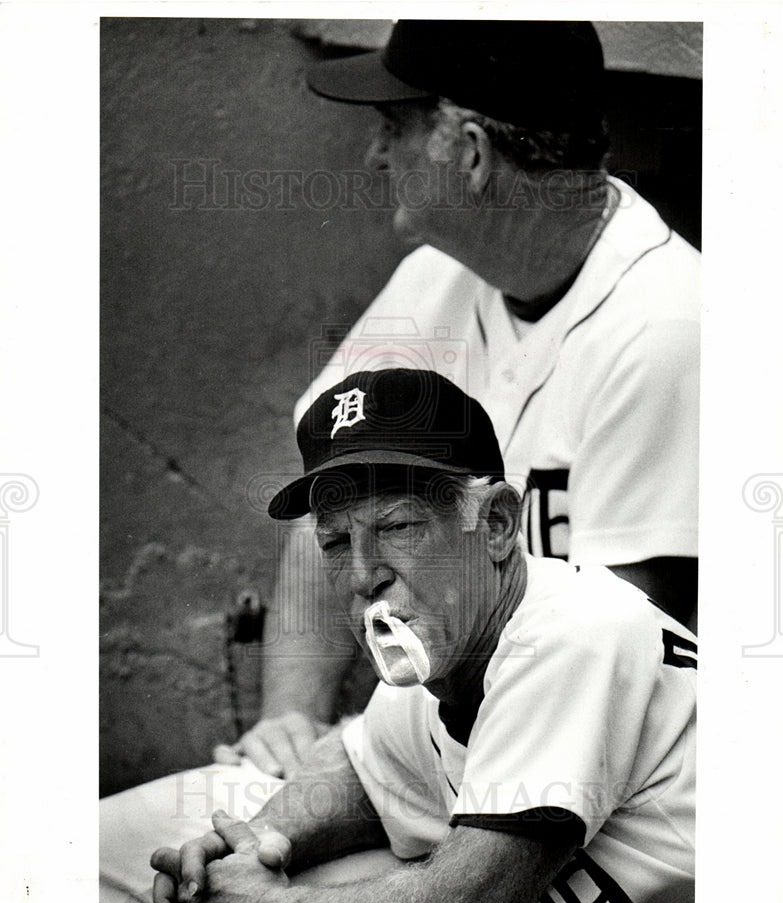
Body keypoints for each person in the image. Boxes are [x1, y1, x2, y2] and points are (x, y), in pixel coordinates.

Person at [225, 19, 700, 781]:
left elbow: (608, 661)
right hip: (411, 759)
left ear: (472, 154)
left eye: (393, 127)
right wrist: (290, 721)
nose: (374, 153)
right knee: (134, 851)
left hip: (587, 798)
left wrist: (352, 758)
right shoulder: (434, 280)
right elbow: (335, 500)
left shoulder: (670, 326)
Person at [143, 368, 696, 903]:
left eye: (398, 528)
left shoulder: (572, 630)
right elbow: (360, 770)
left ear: (495, 525)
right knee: (241, 898)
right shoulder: (447, 655)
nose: (362, 576)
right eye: (335, 543)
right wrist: (256, 843)